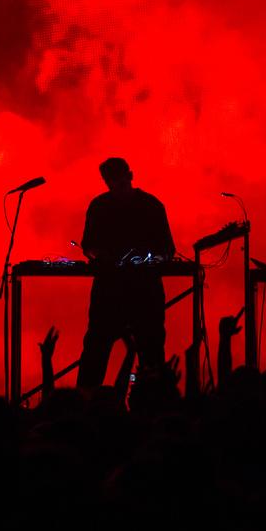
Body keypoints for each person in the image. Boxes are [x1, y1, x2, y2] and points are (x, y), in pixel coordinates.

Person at [76, 157, 175, 389]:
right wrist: (103, 257)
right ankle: (87, 400)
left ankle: (152, 400)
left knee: (149, 351)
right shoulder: (99, 206)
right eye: (110, 179)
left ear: (129, 175)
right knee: (96, 351)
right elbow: (88, 246)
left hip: (141, 292)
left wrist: (147, 260)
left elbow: (168, 249)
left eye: (118, 177)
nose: (115, 183)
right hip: (114, 292)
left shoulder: (151, 205)